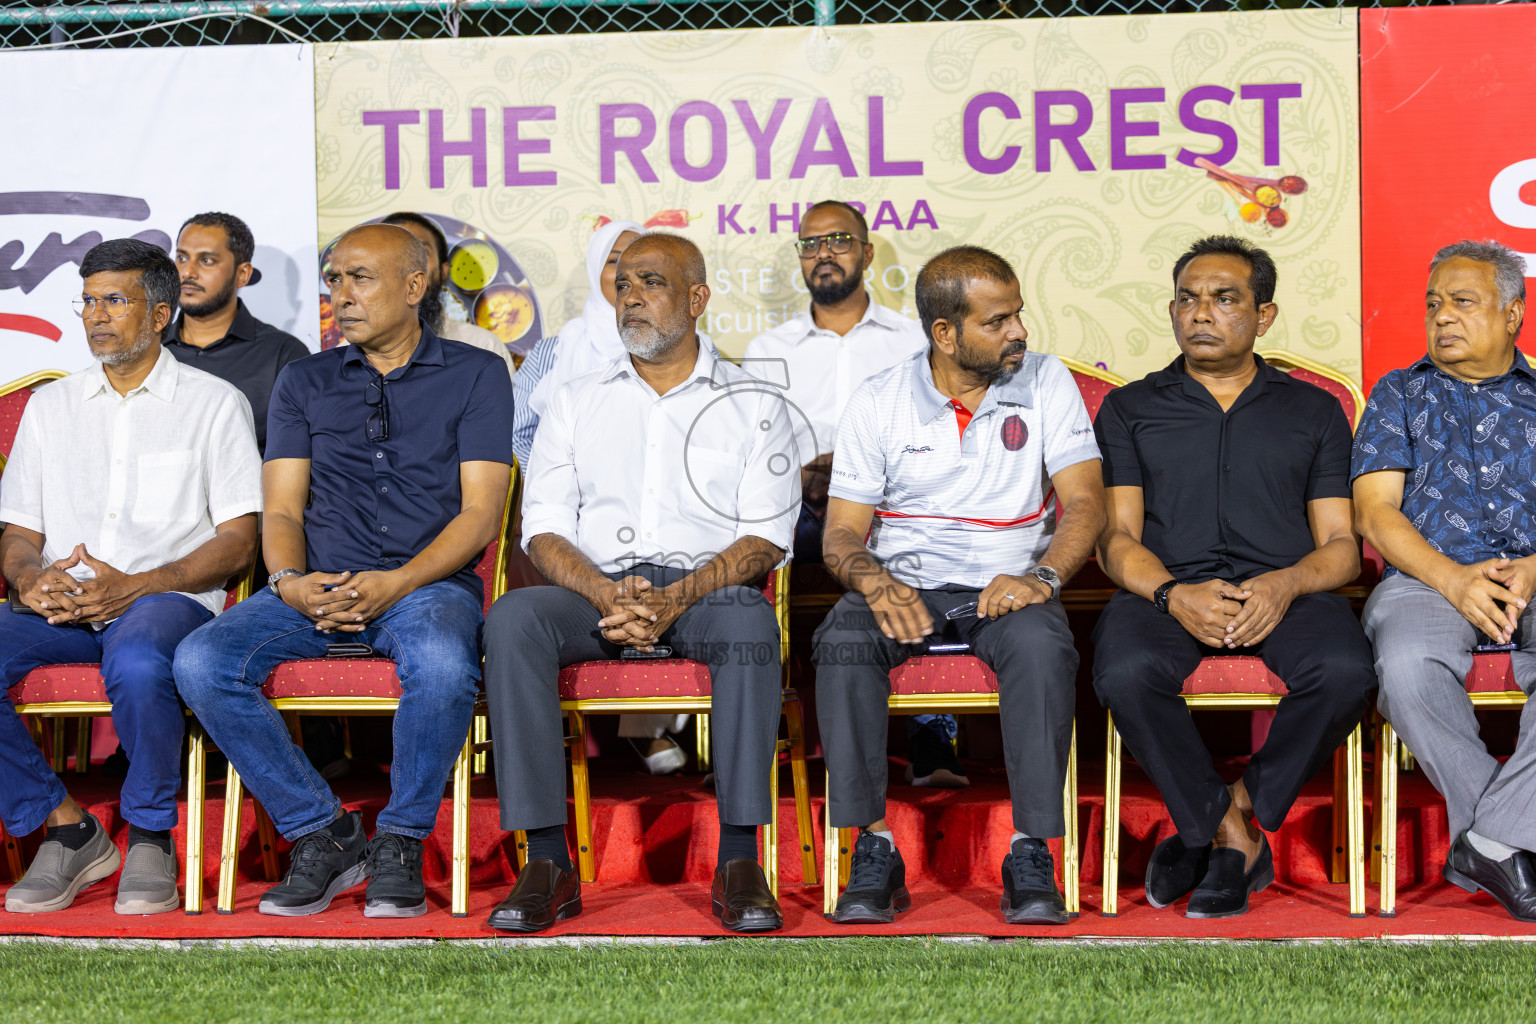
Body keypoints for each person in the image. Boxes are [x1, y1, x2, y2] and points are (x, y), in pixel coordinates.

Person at [174, 224, 514, 919]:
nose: (340, 295)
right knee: (202, 659)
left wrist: (399, 582)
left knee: (444, 665)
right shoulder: (305, 378)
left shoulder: (476, 373)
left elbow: (481, 515)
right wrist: (291, 581)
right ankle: (323, 832)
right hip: (316, 586)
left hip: (426, 587)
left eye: (359, 277)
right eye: (333, 279)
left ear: (415, 286)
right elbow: (281, 509)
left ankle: (400, 841)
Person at [482, 233, 799, 934]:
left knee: (748, 620)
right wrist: (606, 595)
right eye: (622, 284)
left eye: (650, 282)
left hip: (704, 592)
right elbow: (543, 527)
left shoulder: (753, 400)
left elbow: (766, 536)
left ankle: (741, 859)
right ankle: (546, 861)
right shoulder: (572, 400)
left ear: (698, 299)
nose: (630, 297)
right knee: (514, 619)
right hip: (593, 590)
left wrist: (672, 599)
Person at [811, 245, 1105, 926]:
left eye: (1018, 316)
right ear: (945, 333)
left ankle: (1033, 852)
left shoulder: (1046, 380)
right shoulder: (879, 399)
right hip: (903, 585)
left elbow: (1085, 502)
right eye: (997, 322)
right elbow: (842, 536)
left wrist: (1043, 576)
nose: (1019, 333)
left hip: (1006, 590)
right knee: (843, 641)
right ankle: (872, 846)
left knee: (1041, 648)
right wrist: (875, 582)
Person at [1091, 235, 1375, 919]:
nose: (1201, 314)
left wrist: (1284, 585)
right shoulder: (1130, 408)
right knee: (1125, 670)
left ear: (1264, 316)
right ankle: (1232, 842)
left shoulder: (1313, 410)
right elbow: (1116, 539)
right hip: (1168, 591)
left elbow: (1340, 545)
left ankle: (1227, 821)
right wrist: (1171, 593)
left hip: (1285, 588)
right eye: (1188, 300)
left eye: (1224, 300)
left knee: (1345, 672)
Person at [1, 239, 260, 915]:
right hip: (60, 608)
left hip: (166, 600)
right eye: (88, 301)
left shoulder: (214, 403)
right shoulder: (51, 407)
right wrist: (29, 577)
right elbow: (20, 534)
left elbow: (238, 542)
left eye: (115, 300)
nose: (96, 316)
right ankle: (68, 826)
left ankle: (150, 832)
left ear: (160, 314)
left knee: (143, 660)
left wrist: (139, 583)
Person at [743, 201, 960, 789]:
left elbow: (940, 432)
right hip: (796, 509)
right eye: (810, 244)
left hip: (888, 508)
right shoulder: (771, 346)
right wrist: (798, 473)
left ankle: (932, 740)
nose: (824, 254)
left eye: (838, 240)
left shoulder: (910, 342)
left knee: (921, 547)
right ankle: (756, 746)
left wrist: (857, 469)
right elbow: (752, 443)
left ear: (866, 253)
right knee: (741, 559)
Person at [1353, 239, 1536, 922]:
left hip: (1534, 573)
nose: (1443, 318)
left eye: (1463, 302)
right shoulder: (1399, 393)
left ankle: (1489, 839)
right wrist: (1454, 579)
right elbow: (1375, 513)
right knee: (1403, 664)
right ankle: (1508, 838)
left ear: (1512, 313)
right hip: (1425, 579)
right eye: (1434, 305)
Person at [512, 218, 692, 776]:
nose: (628, 280)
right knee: (537, 583)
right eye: (615, 264)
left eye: (645, 269)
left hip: (659, 522)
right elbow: (521, 433)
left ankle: (646, 724)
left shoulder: (684, 356)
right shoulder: (554, 350)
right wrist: (569, 491)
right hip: (570, 518)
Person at [166, 212, 311, 453]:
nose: (187, 272)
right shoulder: (150, 350)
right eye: (181, 257)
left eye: (206, 261)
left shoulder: (283, 355)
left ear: (242, 274)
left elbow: (299, 457)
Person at [375, 211, 516, 385]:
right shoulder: (346, 355)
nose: (406, 267)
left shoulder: (483, 348)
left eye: (421, 254)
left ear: (443, 272)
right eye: (392, 254)